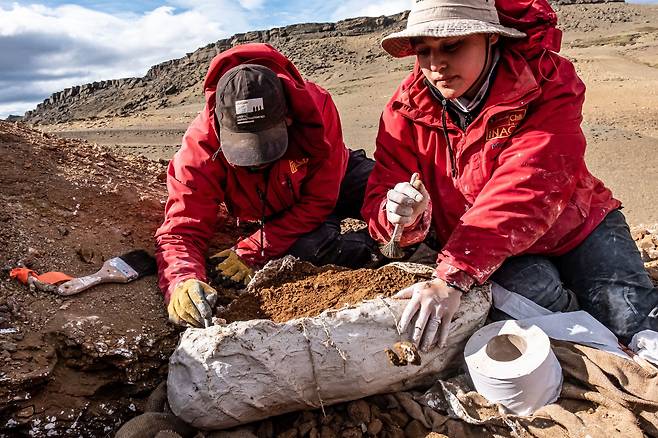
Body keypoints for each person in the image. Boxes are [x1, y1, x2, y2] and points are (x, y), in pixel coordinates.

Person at [362, 0, 658, 350]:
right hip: (497, 249)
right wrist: (401, 216)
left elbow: (531, 180)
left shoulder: (547, 79)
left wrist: (453, 277)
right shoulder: (404, 112)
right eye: (423, 51)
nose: (435, 64)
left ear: (490, 38)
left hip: (579, 225)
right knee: (559, 324)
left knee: (633, 320)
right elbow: (383, 194)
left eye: (452, 45)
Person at [156, 43, 378, 328]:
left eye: (266, 145)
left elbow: (320, 199)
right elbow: (181, 229)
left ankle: (398, 243)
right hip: (279, 206)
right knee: (311, 250)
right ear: (220, 126)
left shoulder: (316, 109)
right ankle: (375, 251)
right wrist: (182, 280)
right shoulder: (199, 150)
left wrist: (251, 250)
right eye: (243, 151)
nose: (256, 162)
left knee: (388, 192)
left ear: (288, 116)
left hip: (335, 175)